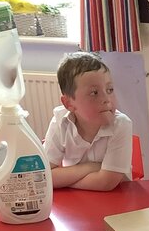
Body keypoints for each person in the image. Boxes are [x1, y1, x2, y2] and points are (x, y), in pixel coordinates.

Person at [43, 51, 134, 191]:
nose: (107, 99)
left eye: (109, 90)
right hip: (76, 201)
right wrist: (92, 167)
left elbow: (106, 183)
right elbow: (43, 176)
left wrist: (63, 181)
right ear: (68, 103)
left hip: (118, 199)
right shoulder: (60, 122)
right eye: (94, 93)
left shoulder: (121, 124)